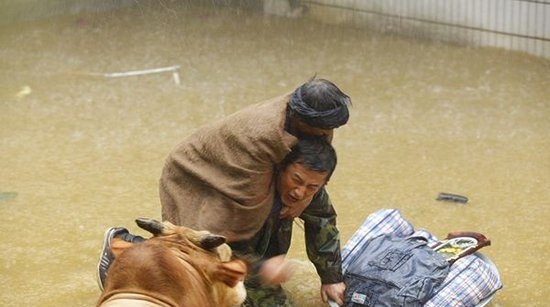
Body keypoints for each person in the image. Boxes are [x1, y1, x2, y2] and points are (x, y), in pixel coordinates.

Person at [98, 78, 352, 305]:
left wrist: (331, 278)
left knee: (286, 213)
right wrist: (262, 268)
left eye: (312, 186)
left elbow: (322, 219)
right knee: (205, 244)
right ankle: (126, 249)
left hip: (271, 174)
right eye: (321, 131)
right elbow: (236, 235)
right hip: (198, 172)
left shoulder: (306, 160)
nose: (326, 136)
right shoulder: (261, 144)